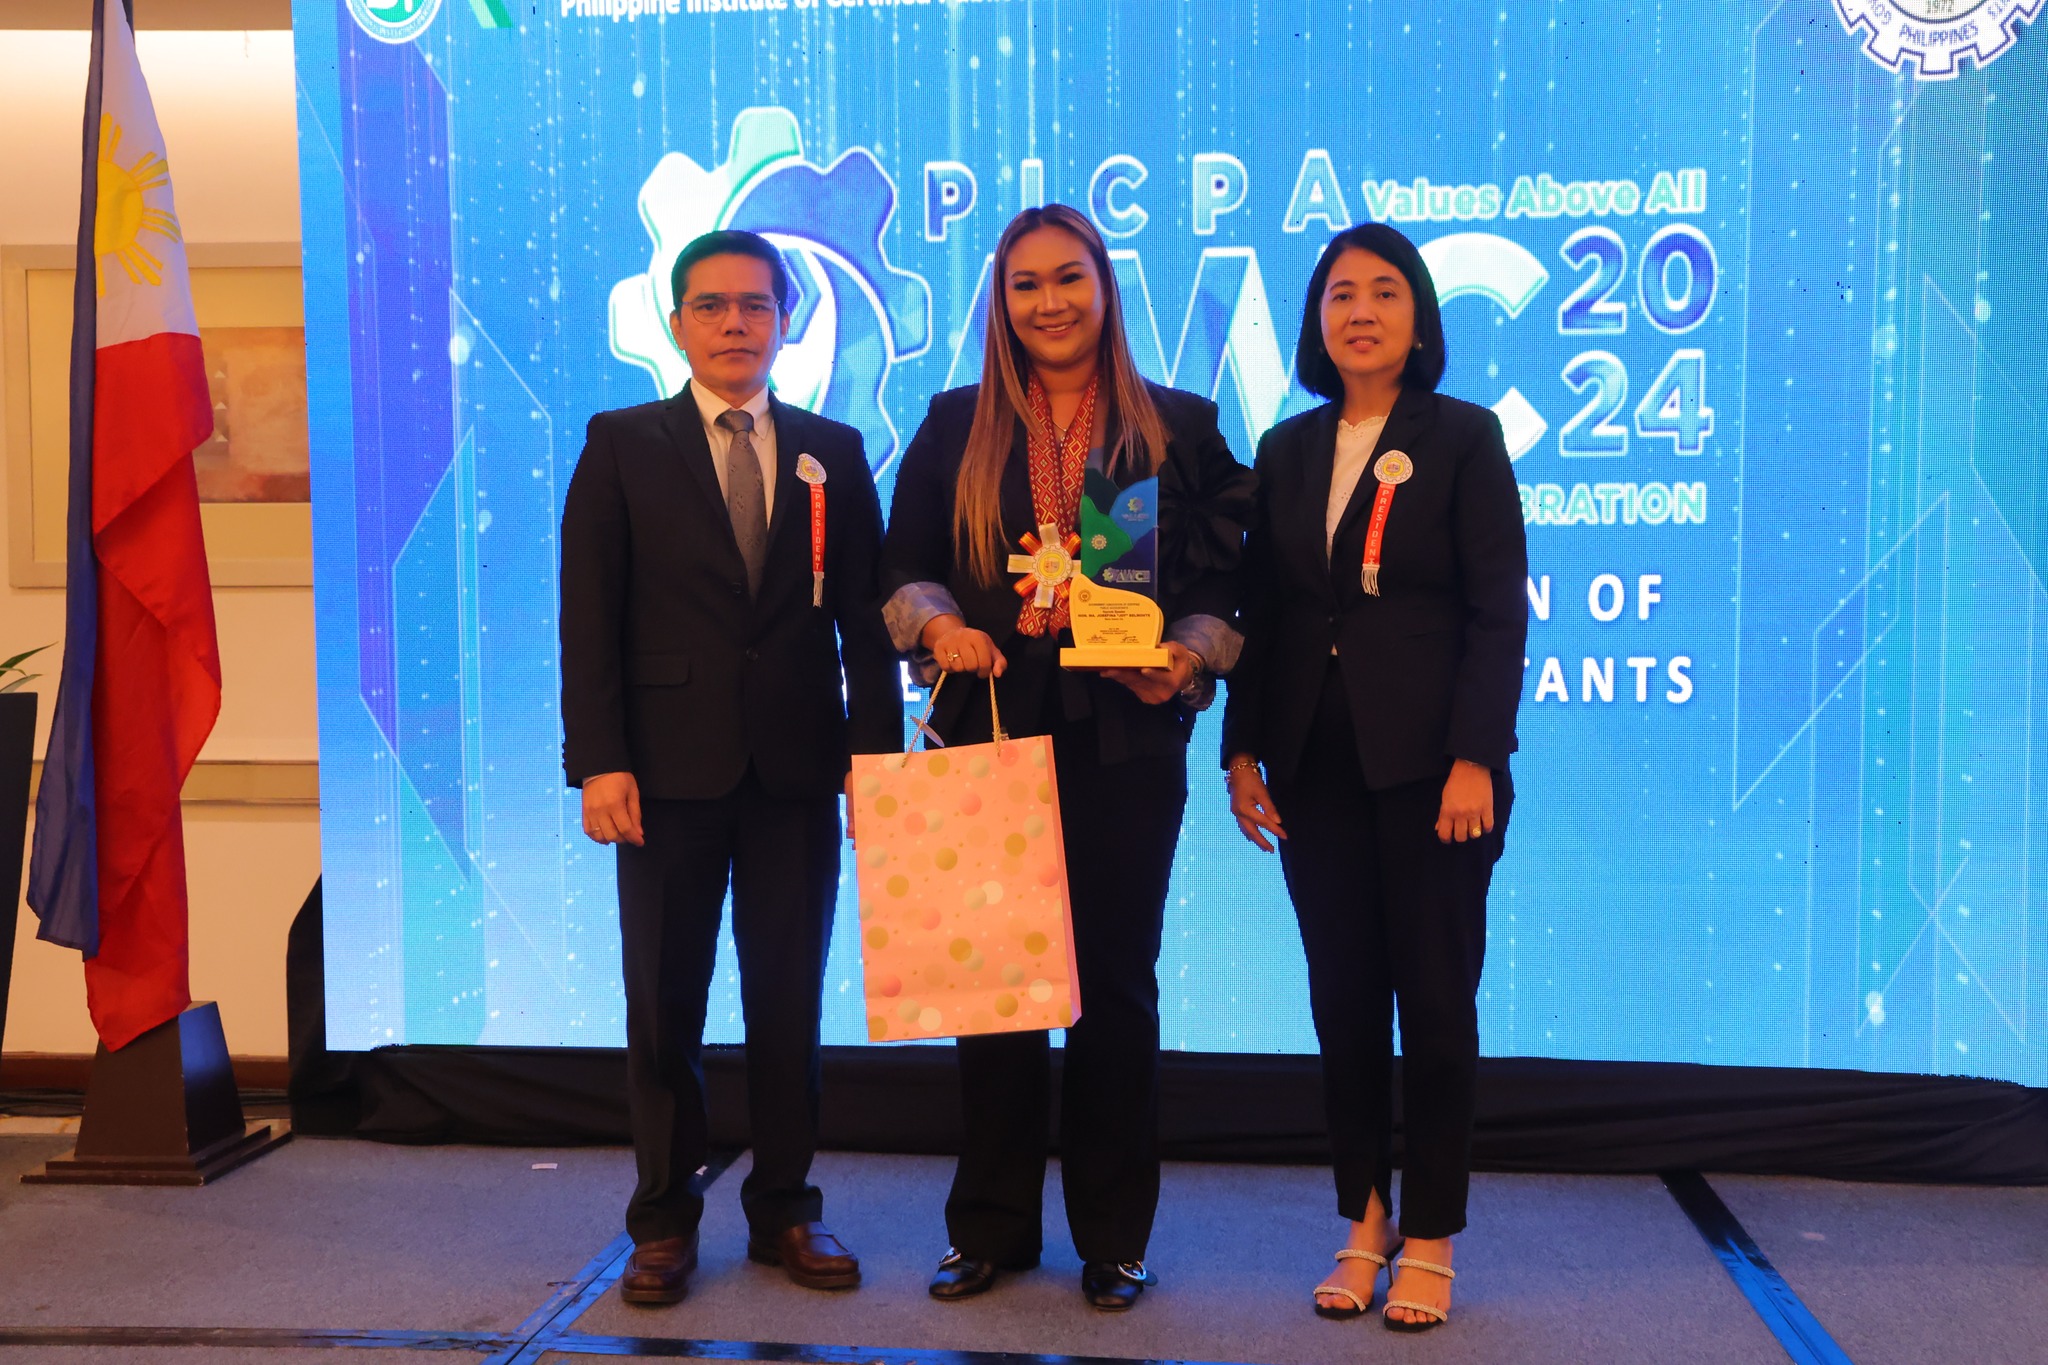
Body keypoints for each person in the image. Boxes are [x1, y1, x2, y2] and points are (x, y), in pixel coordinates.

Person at [880, 204, 1254, 1311]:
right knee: (993, 991)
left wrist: (1185, 660)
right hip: (987, 728)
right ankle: (990, 1229)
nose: (1048, 302)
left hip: (1123, 739)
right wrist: (940, 624)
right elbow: (900, 566)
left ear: (1104, 287)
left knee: (1114, 992)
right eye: (1025, 284)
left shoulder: (1176, 424)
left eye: (1068, 278)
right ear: (1001, 302)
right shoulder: (954, 423)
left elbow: (1227, 585)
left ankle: (1114, 1238)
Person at [559, 229, 901, 1305]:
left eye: (756, 305)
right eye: (710, 305)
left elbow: (863, 619)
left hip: (797, 770)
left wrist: (876, 760)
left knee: (788, 1003)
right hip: (663, 776)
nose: (734, 323)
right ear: (677, 325)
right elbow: (589, 616)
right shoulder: (621, 442)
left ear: (784, 322)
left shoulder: (832, 450)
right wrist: (599, 760)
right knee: (664, 1004)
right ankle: (662, 1220)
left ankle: (785, 1210)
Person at [1220, 223, 1527, 1333]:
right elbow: (1264, 611)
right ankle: (1365, 1217)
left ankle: (1431, 1234)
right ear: (1315, 322)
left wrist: (1474, 757)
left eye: (1385, 292)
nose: (1360, 311)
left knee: (1435, 1004)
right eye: (1340, 293)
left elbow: (1497, 611)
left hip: (1435, 773)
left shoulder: (1464, 437)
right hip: (1314, 770)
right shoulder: (1286, 448)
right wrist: (1239, 750)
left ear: (1419, 318)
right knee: (1342, 1003)